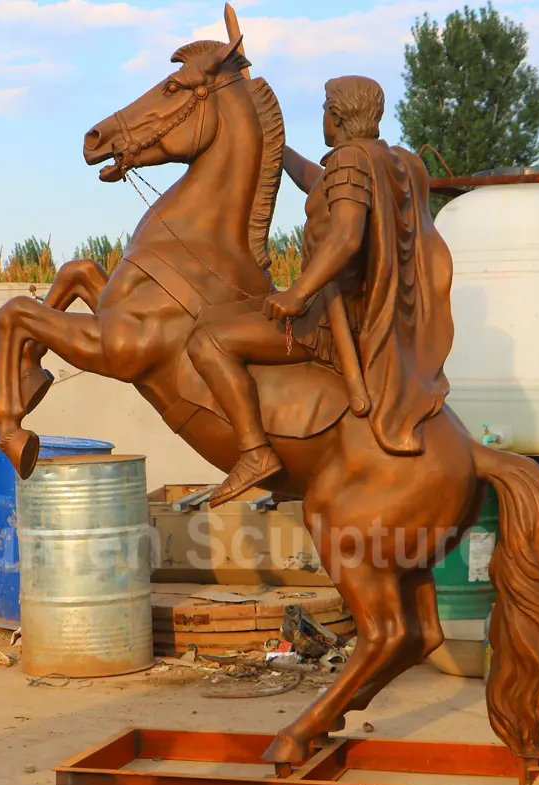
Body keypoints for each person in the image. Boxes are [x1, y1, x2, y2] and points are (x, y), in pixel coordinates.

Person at [187, 75, 454, 507]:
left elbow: (347, 237)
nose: (323, 118)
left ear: (337, 115)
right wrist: (275, 148)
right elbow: (319, 180)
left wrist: (297, 293)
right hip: (341, 313)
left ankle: (254, 453)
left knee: (208, 340)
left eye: (325, 110)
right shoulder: (380, 159)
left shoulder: (349, 160)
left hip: (331, 323)